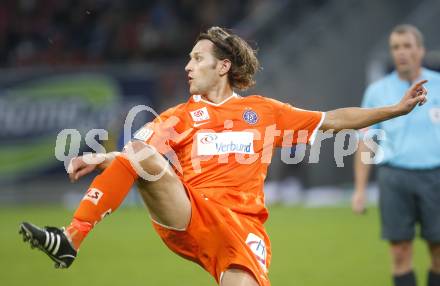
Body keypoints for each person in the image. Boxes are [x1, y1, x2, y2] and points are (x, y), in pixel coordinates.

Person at [20, 26, 427, 286]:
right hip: (191, 214)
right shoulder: (179, 116)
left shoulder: (264, 112)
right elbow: (136, 155)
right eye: (189, 59)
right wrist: (102, 158)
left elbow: (335, 119)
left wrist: (393, 110)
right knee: (143, 152)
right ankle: (71, 238)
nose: (187, 66)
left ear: (223, 66)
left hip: (242, 228)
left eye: (197, 58)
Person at [352, 24, 440, 286]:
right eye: (395, 47)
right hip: (395, 178)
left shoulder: (438, 85)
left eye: (407, 46)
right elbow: (365, 141)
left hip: (435, 177)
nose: (401, 52)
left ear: (420, 50)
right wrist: (359, 190)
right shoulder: (377, 92)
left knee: (438, 252)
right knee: (400, 253)